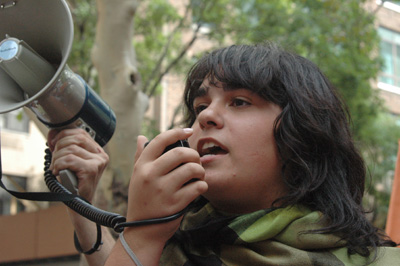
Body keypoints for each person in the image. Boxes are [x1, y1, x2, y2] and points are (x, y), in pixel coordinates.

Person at [47, 43, 399, 266]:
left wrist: (143, 236)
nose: (205, 116)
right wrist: (121, 224)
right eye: (201, 105)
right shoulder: (162, 245)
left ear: (304, 133)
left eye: (240, 102)